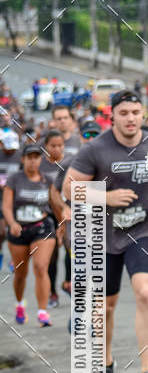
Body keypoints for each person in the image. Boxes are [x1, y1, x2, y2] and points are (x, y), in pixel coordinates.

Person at [64, 89, 148, 373]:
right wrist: (107, 197)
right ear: (112, 116)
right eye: (124, 113)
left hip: (140, 229)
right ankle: (105, 365)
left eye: (135, 113)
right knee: (106, 307)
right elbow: (69, 189)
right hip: (102, 235)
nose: (130, 119)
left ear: (144, 115)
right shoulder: (95, 149)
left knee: (145, 293)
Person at [2, 144, 64, 327]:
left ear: (40, 159)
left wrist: (61, 225)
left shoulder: (46, 181)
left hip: (42, 228)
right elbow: (6, 206)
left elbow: (55, 204)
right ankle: (20, 304)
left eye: (37, 157)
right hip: (19, 229)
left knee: (40, 266)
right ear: (23, 159)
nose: (33, 161)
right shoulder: (14, 180)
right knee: (21, 274)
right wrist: (12, 223)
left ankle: (42, 312)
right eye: (29, 157)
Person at [40, 129, 71, 305]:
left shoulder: (69, 164)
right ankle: (52, 292)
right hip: (46, 214)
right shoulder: (41, 166)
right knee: (52, 255)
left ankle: (68, 282)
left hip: (66, 212)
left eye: (60, 145)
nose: (57, 149)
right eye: (53, 146)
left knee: (71, 248)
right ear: (46, 146)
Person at [0, 130, 21, 271]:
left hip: (16, 198)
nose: (11, 151)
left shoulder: (20, 156)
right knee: (1, 232)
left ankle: (15, 259)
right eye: (8, 148)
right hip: (1, 197)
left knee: (14, 230)